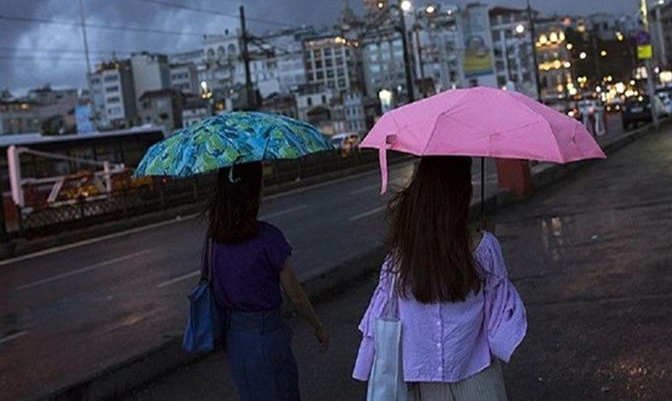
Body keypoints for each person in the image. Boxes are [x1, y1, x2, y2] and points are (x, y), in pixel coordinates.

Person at [353, 156, 526, 400]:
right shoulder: (484, 249)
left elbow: (380, 317)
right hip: (477, 376)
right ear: (461, 193)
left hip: (425, 381)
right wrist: (489, 242)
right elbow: (500, 321)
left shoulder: (400, 258)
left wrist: (366, 364)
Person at [206, 161, 329, 401]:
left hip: (235, 340)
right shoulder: (268, 238)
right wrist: (318, 327)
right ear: (254, 191)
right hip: (266, 336)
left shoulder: (214, 239)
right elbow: (295, 295)